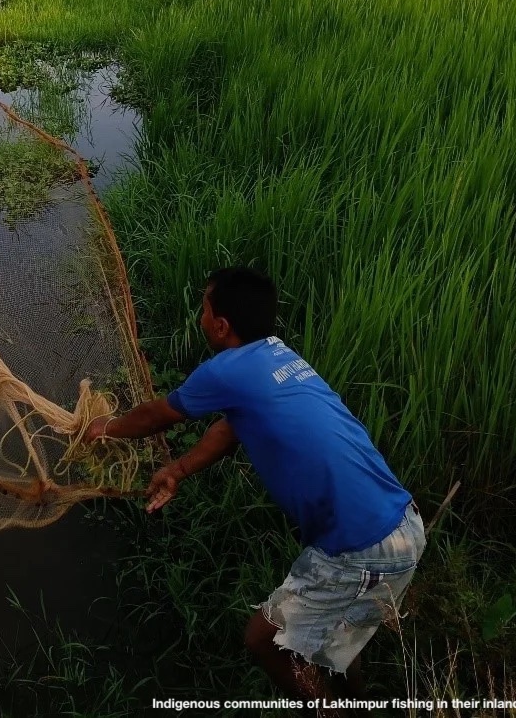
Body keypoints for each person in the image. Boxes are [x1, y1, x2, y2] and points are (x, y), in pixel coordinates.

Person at [82, 266, 424, 704]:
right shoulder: (277, 355)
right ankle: (356, 709)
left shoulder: (224, 371)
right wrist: (178, 470)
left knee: (263, 639)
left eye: (204, 309)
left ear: (221, 326)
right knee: (336, 639)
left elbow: (154, 416)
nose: (200, 317)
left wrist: (105, 427)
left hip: (361, 547)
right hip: (404, 525)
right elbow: (230, 429)